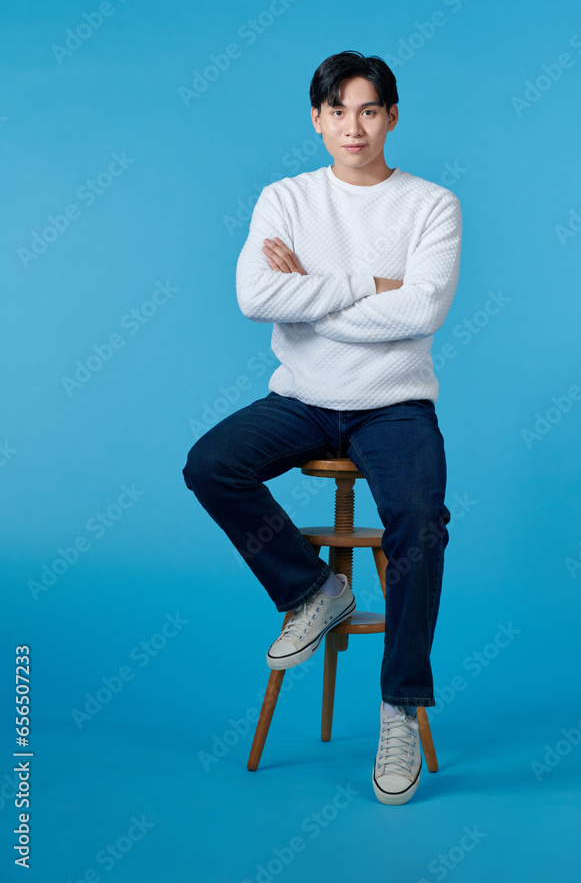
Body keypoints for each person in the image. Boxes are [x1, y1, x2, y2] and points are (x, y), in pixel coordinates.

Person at [182, 49, 462, 805]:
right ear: (316, 119)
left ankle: (398, 705)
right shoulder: (284, 198)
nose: (353, 126)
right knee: (210, 465)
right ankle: (313, 591)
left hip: (394, 402)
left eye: (368, 110)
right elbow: (253, 295)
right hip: (303, 397)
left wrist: (304, 289)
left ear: (391, 117)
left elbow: (422, 311)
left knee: (419, 523)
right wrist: (371, 285)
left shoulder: (430, 205)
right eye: (337, 111)